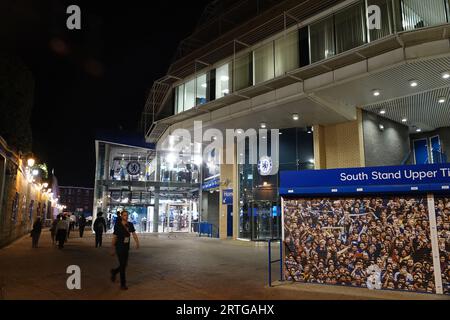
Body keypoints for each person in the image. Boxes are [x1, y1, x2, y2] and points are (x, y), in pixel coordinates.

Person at [110, 210, 140, 290]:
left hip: (126, 247)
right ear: (121, 216)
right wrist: (112, 248)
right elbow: (114, 237)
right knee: (123, 266)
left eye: (127, 215)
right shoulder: (118, 225)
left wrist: (137, 242)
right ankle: (123, 284)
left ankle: (114, 271)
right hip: (119, 247)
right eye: (124, 215)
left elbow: (133, 234)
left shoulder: (130, 224)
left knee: (124, 265)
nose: (126, 217)